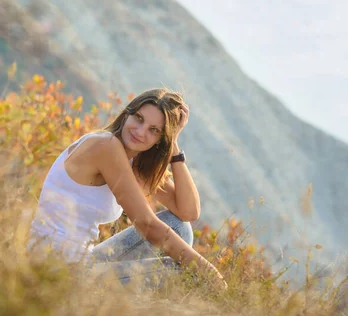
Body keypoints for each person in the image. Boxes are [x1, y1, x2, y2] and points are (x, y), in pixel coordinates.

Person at [28, 88, 227, 289]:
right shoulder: (104, 146)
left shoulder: (133, 160)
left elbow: (188, 212)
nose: (140, 131)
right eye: (139, 118)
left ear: (160, 139)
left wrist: (173, 144)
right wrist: (211, 274)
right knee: (185, 271)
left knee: (179, 227)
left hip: (83, 261)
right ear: (127, 114)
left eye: (154, 130)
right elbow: (147, 224)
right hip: (57, 269)